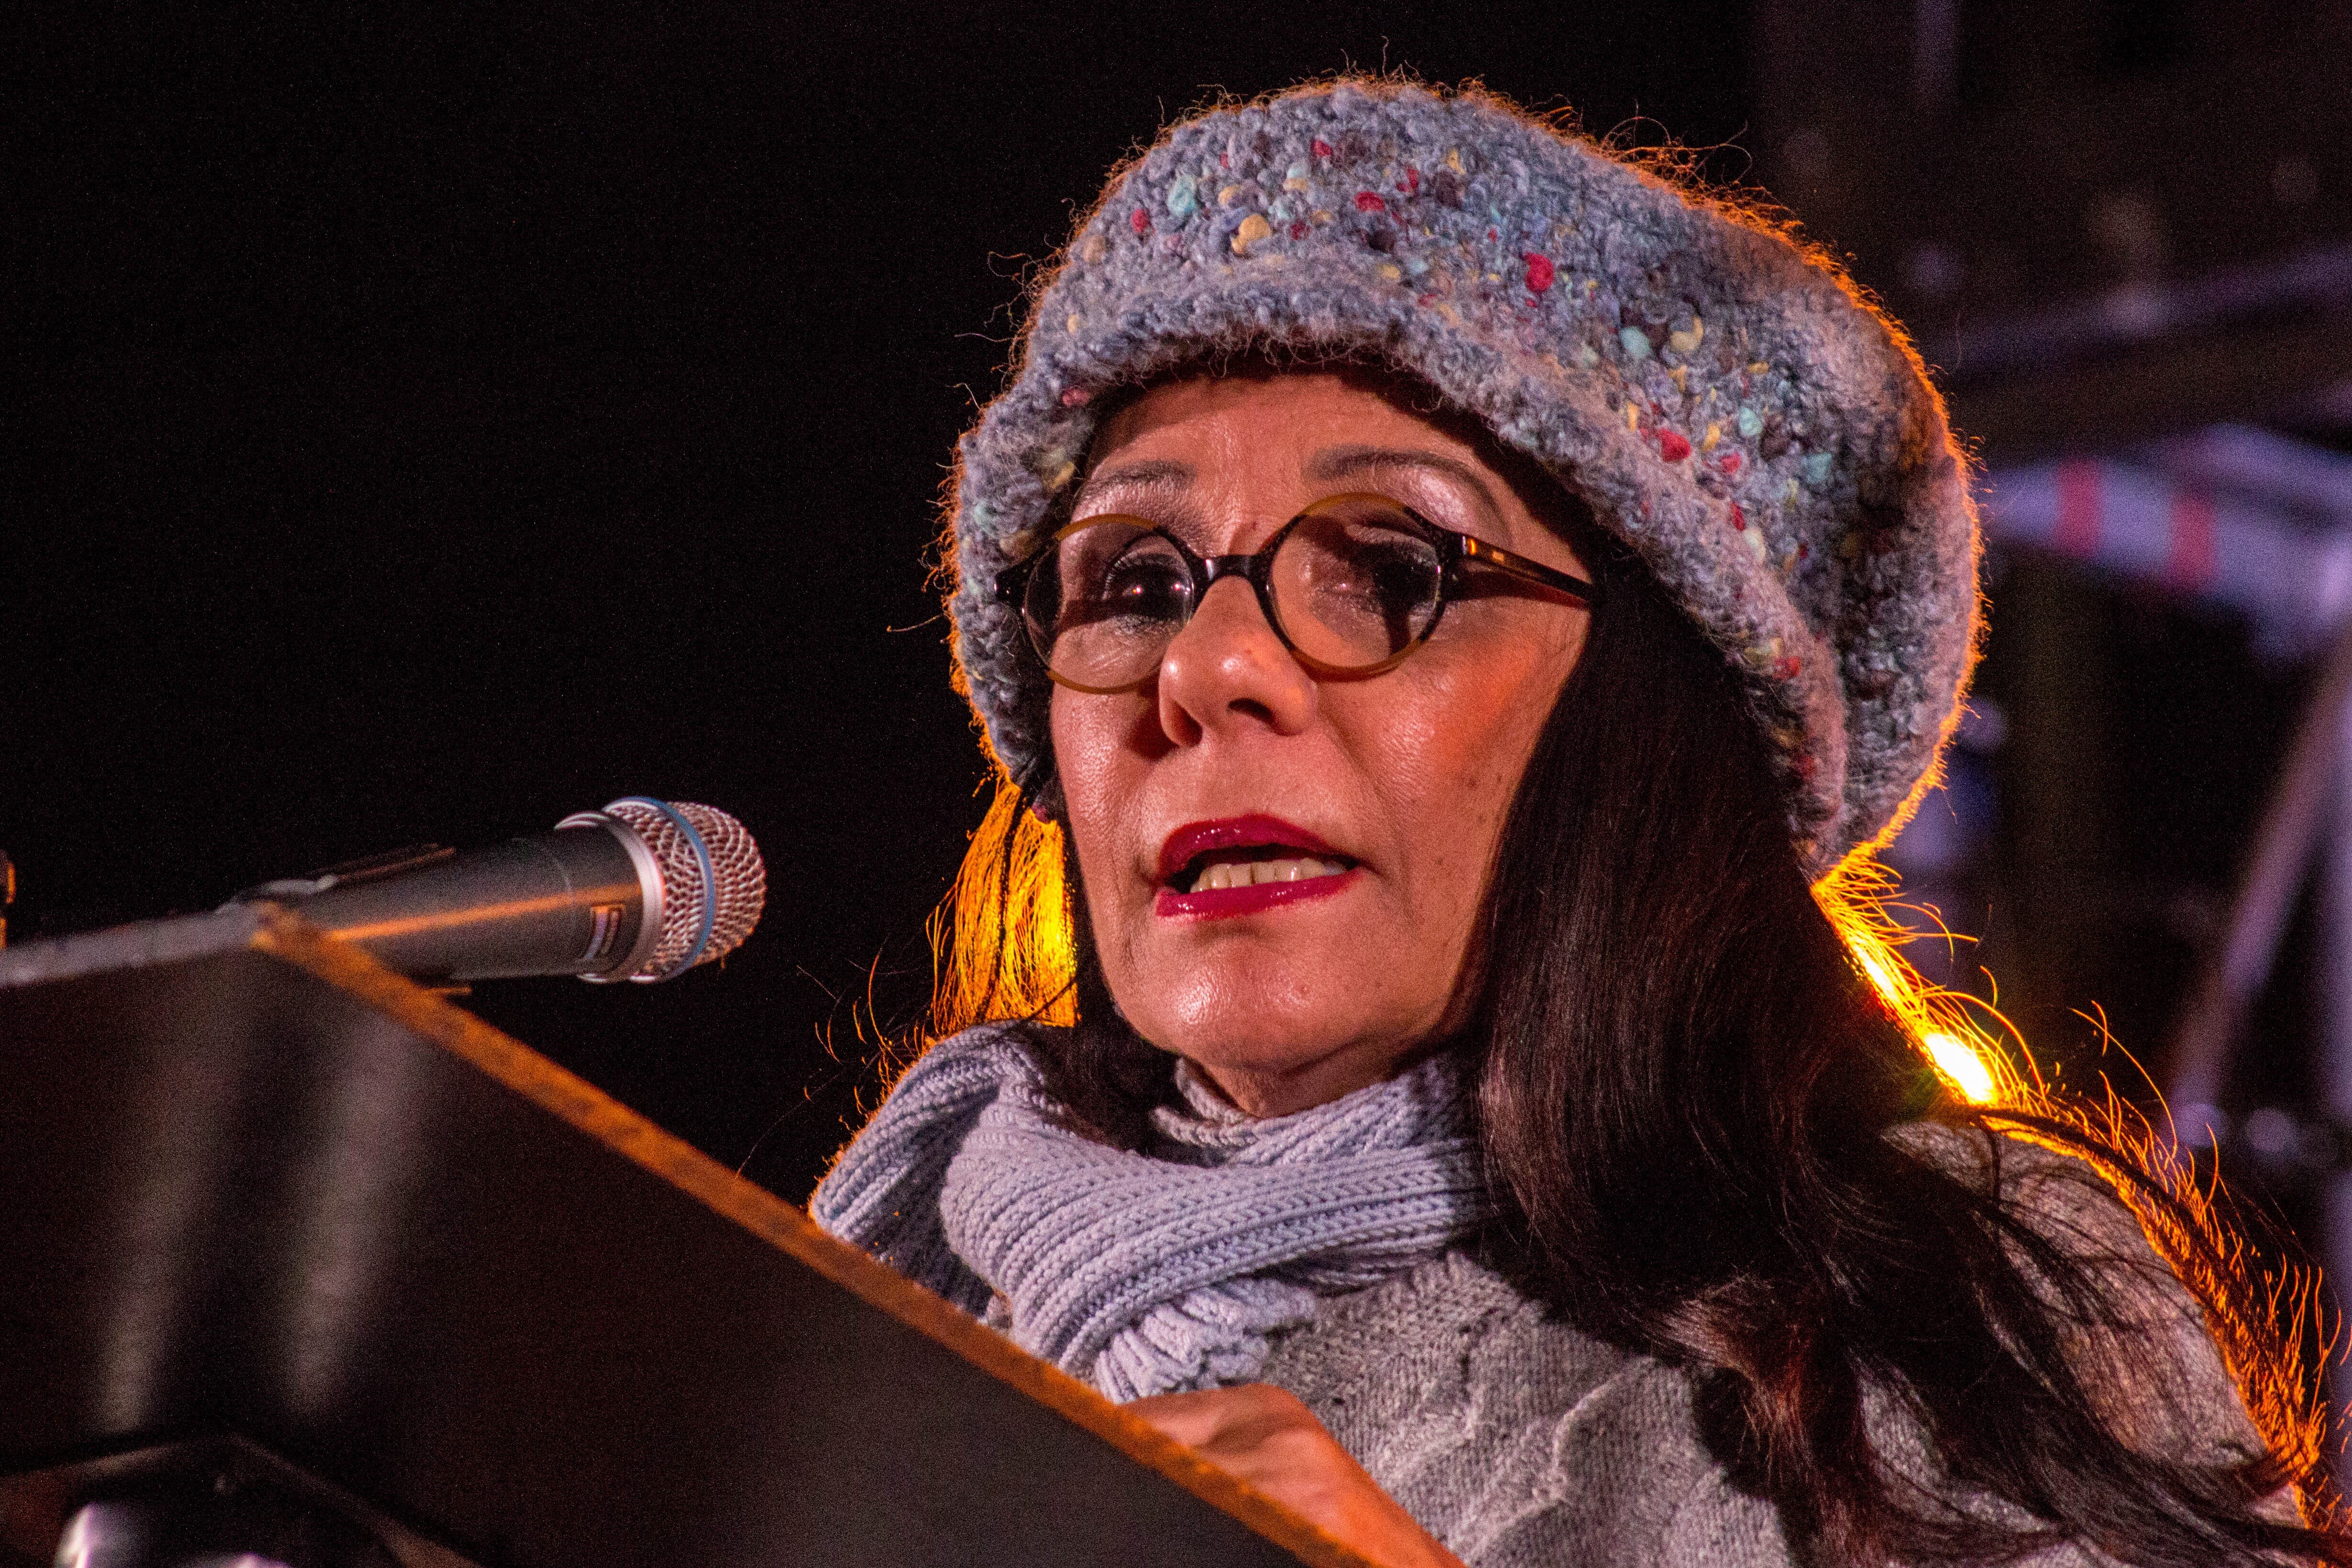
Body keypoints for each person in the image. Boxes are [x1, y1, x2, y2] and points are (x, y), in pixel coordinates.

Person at [811, 78, 2344, 1567]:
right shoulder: (871, 1341)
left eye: (1389, 569)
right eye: (1133, 583)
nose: (1204, 669)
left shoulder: (1948, 1327)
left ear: (1649, 718)